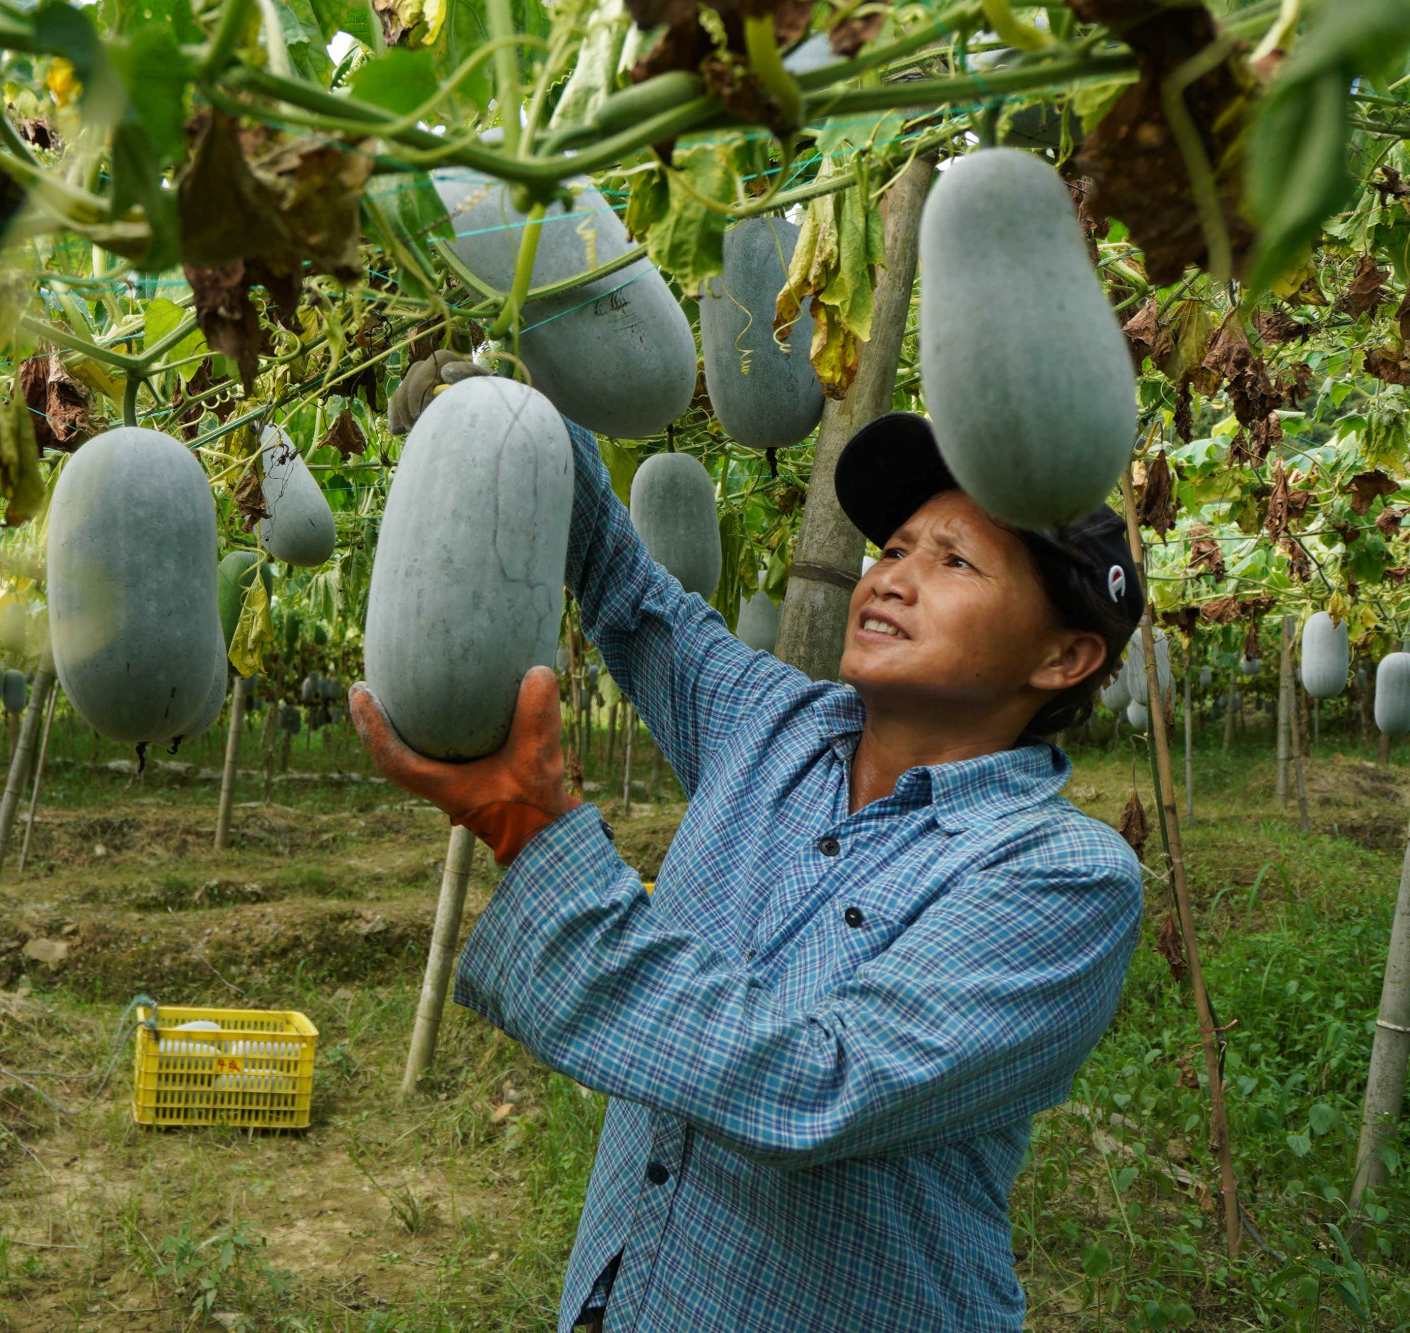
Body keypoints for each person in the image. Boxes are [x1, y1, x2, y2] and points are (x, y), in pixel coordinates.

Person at [349, 405, 1148, 1332]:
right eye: (892, 548)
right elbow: (631, 593)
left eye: (954, 561)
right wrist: (513, 408)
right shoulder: (778, 726)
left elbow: (821, 1081)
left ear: (1065, 655)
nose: (893, 578)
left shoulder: (1064, 876)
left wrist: (531, 826)